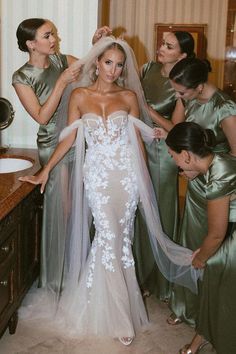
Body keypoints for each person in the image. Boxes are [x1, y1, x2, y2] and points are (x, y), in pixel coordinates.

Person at [19, 36, 201, 346]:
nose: (113, 70)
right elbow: (68, 140)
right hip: (98, 176)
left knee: (121, 239)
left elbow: (136, 143)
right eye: (108, 63)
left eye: (119, 65)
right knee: (107, 237)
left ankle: (106, 306)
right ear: (97, 62)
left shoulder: (130, 96)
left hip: (126, 176)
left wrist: (143, 182)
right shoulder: (79, 95)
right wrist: (45, 171)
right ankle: (117, 315)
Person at [12, 18, 112, 296]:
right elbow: (42, 117)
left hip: (76, 140)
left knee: (80, 206)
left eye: (53, 33)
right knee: (61, 209)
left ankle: (79, 268)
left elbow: (95, 71)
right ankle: (56, 276)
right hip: (51, 145)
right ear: (32, 44)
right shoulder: (21, 77)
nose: (54, 39)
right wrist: (62, 83)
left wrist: (96, 45)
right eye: (47, 35)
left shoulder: (61, 59)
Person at [165, 58, 236, 326]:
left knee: (209, 247)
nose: (177, 96)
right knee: (189, 240)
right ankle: (185, 305)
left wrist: (207, 172)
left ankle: (206, 313)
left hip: (218, 182)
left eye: (181, 92)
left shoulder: (225, 107)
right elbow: (180, 133)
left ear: (197, 86)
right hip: (196, 178)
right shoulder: (190, 99)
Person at [133, 31, 195, 302]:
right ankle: (139, 275)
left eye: (169, 47)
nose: (161, 48)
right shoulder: (147, 68)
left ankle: (161, 280)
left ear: (182, 56)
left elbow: (175, 129)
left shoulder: (181, 84)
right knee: (136, 213)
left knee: (159, 213)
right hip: (136, 146)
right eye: (162, 43)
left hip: (162, 153)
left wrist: (148, 110)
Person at [165, 121, 236, 354]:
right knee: (214, 270)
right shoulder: (218, 159)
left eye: (172, 155)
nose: (173, 161)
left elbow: (216, 235)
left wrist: (200, 258)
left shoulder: (218, 176)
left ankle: (218, 337)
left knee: (214, 267)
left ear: (186, 155)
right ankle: (204, 335)